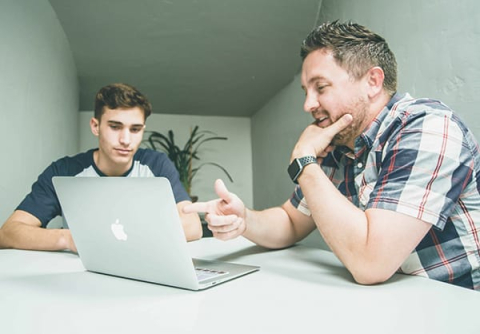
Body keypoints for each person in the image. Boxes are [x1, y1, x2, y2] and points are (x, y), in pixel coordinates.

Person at [184, 21, 480, 290]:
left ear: (373, 82)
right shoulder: (339, 145)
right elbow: (290, 221)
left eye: (321, 87)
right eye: (306, 91)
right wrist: (244, 219)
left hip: (456, 305)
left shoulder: (429, 128)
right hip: (390, 302)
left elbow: (371, 263)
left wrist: (304, 160)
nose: (308, 104)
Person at [0, 83, 202, 252]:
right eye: (115, 127)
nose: (125, 140)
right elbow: (8, 232)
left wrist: (124, 236)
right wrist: (69, 239)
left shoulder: (156, 165)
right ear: (95, 126)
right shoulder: (64, 171)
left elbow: (193, 226)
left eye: (135, 129)